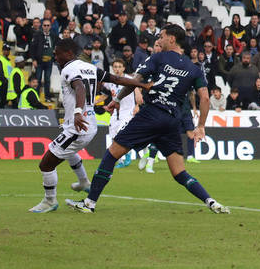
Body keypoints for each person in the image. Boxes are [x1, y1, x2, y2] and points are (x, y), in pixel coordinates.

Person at [66, 24, 230, 214]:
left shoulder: (158, 57)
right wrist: (201, 126)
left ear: (172, 39)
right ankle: (211, 201)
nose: (158, 40)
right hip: (172, 121)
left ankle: (89, 203)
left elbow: (135, 80)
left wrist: (117, 99)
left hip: (151, 114)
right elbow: (205, 97)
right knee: (179, 172)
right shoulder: (193, 68)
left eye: (161, 36)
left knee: (112, 154)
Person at [28, 39, 151, 213]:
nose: (55, 56)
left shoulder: (68, 69)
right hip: (87, 124)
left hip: (78, 126)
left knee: (46, 164)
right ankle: (84, 181)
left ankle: (50, 201)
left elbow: (79, 88)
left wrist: (78, 112)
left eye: (57, 53)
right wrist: (142, 85)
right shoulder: (90, 67)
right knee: (69, 153)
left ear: (69, 53)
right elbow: (117, 79)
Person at [103, 59, 143, 169]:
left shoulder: (130, 79)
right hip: (115, 114)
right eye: (115, 67)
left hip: (127, 112)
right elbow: (106, 93)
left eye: (119, 67)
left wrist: (137, 106)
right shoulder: (111, 81)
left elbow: (138, 93)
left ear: (124, 68)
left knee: (121, 134)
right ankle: (120, 161)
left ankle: (129, 155)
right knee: (113, 137)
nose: (117, 69)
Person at [31, 19, 58, 99]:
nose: (46, 27)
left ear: (50, 26)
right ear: (42, 26)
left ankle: (47, 97)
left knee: (47, 79)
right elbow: (32, 48)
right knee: (38, 80)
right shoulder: (37, 35)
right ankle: (37, 96)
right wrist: (33, 59)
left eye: (48, 25)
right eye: (45, 25)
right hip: (39, 61)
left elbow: (57, 44)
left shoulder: (53, 35)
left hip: (49, 61)